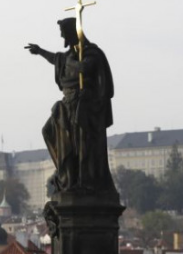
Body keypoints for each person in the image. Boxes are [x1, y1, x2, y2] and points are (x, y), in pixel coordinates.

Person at [26, 17, 116, 195]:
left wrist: (71, 62)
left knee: (80, 145)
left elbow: (84, 68)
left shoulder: (92, 53)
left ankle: (81, 178)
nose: (62, 38)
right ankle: (65, 173)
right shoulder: (69, 56)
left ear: (72, 33)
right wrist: (40, 51)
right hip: (66, 105)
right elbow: (57, 59)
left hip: (83, 107)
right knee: (48, 131)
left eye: (63, 34)